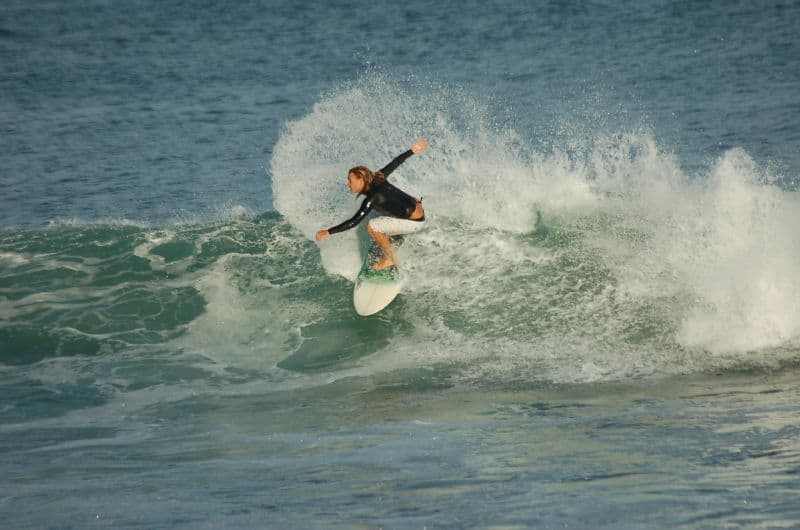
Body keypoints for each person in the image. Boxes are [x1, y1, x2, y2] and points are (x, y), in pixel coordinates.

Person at [315, 139, 428, 270]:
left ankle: (390, 258)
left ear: (361, 179)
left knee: (371, 227)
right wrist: (412, 151)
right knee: (377, 212)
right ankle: (394, 235)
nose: (348, 184)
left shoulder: (373, 198)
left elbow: (354, 221)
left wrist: (328, 232)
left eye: (350, 180)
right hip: (417, 207)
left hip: (415, 222)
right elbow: (394, 163)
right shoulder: (378, 177)